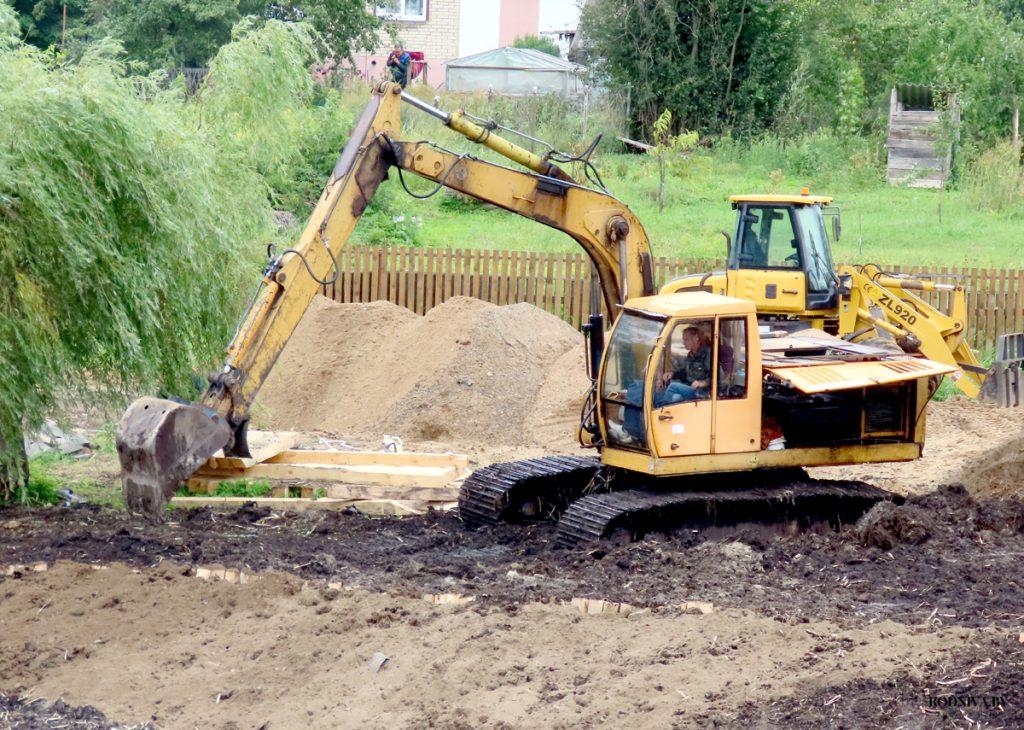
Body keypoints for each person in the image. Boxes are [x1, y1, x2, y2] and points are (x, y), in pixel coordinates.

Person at [660, 325, 712, 400]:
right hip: (689, 387)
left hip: (701, 392)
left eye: (686, 340)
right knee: (676, 398)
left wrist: (702, 383)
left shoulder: (708, 354)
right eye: (684, 340)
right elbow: (685, 372)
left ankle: (661, 408)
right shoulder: (690, 355)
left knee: (673, 386)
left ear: (696, 338)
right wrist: (672, 374)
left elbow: (718, 377)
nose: (684, 343)